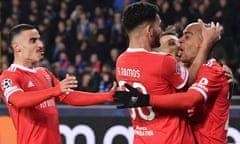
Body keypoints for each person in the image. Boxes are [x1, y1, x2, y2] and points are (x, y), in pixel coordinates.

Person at [115, 2, 219, 144]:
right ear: (149, 30)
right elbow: (190, 81)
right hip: (171, 139)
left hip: (141, 139)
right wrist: (207, 45)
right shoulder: (162, 61)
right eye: (159, 26)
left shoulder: (121, 62)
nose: (160, 30)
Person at [0, 24, 117, 144]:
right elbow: (18, 100)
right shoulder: (9, 76)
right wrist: (54, 90)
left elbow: (69, 97)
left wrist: (106, 96)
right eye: (33, 41)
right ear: (17, 47)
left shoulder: (44, 73)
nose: (40, 45)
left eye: (39, 39)